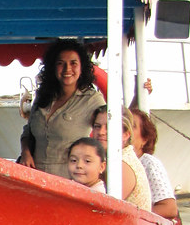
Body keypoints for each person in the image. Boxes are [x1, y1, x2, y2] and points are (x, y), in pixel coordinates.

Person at [19, 41, 105, 178]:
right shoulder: (43, 96)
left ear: (82, 66)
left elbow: (117, 125)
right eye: (60, 63)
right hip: (35, 178)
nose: (67, 69)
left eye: (73, 63)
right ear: (53, 67)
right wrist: (25, 152)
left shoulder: (91, 100)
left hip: (69, 182)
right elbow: (28, 132)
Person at [90, 106, 152, 210]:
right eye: (97, 126)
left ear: (125, 134)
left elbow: (104, 209)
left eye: (108, 127)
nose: (101, 132)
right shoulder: (115, 158)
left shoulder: (122, 164)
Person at [130, 108, 181, 222]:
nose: (125, 130)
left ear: (145, 139)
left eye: (132, 126)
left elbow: (169, 208)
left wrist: (131, 214)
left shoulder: (149, 164)